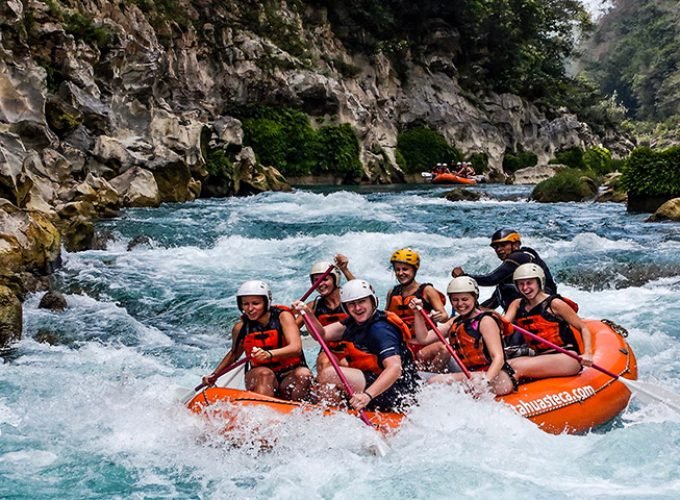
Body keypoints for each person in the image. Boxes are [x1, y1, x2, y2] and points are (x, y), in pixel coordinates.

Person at [293, 279, 419, 412]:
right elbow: (322, 334)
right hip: (375, 381)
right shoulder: (353, 323)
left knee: (330, 374)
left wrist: (367, 395)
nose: (357, 308)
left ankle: (338, 414)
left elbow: (395, 368)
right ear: (345, 307)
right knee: (327, 388)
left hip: (399, 391)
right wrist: (307, 313)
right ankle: (333, 418)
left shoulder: (381, 330)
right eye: (351, 304)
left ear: (372, 301)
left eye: (362, 302)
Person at [202, 280, 312, 401]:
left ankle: (297, 410)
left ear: (266, 302)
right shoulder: (240, 328)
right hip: (260, 376)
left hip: (288, 375)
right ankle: (262, 413)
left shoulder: (283, 317)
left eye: (255, 303)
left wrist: (269, 354)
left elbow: (295, 348)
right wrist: (215, 374)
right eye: (245, 304)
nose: (250, 309)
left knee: (304, 375)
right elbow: (234, 354)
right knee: (265, 374)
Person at [408, 277, 516, 395]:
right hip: (472, 374)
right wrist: (417, 313)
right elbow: (424, 338)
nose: (460, 304)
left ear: (474, 298)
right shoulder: (455, 322)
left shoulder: (486, 321)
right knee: (417, 377)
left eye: (465, 299)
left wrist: (485, 382)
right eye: (455, 300)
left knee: (434, 381)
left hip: (497, 379)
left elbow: (498, 358)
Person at [505, 264, 593, 381]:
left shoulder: (554, 304)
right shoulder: (517, 304)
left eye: (529, 283)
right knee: (503, 365)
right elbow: (502, 326)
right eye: (521, 284)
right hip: (539, 357)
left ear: (539, 282)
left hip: (566, 358)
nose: (525, 288)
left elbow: (583, 328)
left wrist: (588, 353)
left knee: (512, 366)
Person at [451, 229, 557, 313]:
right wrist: (473, 310)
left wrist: (463, 276)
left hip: (541, 309)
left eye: (503, 245)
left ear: (515, 245)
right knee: (503, 287)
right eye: (496, 247)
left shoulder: (519, 257)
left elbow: (491, 279)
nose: (499, 250)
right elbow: (495, 299)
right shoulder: (512, 274)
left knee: (504, 287)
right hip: (536, 306)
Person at [384, 248, 448, 369]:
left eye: (405, 269)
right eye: (397, 269)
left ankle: (431, 377)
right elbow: (385, 319)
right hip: (403, 346)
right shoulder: (392, 292)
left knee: (444, 349)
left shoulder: (427, 290)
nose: (400, 273)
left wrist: (438, 315)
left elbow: (444, 317)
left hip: (424, 345)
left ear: (414, 270)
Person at [299, 255, 356, 373]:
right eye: (316, 280)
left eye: (325, 279)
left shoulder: (349, 299)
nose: (320, 284)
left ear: (335, 279)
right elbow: (290, 328)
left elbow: (360, 290)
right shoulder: (312, 306)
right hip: (329, 351)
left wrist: (345, 269)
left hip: (354, 349)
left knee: (346, 363)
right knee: (324, 361)